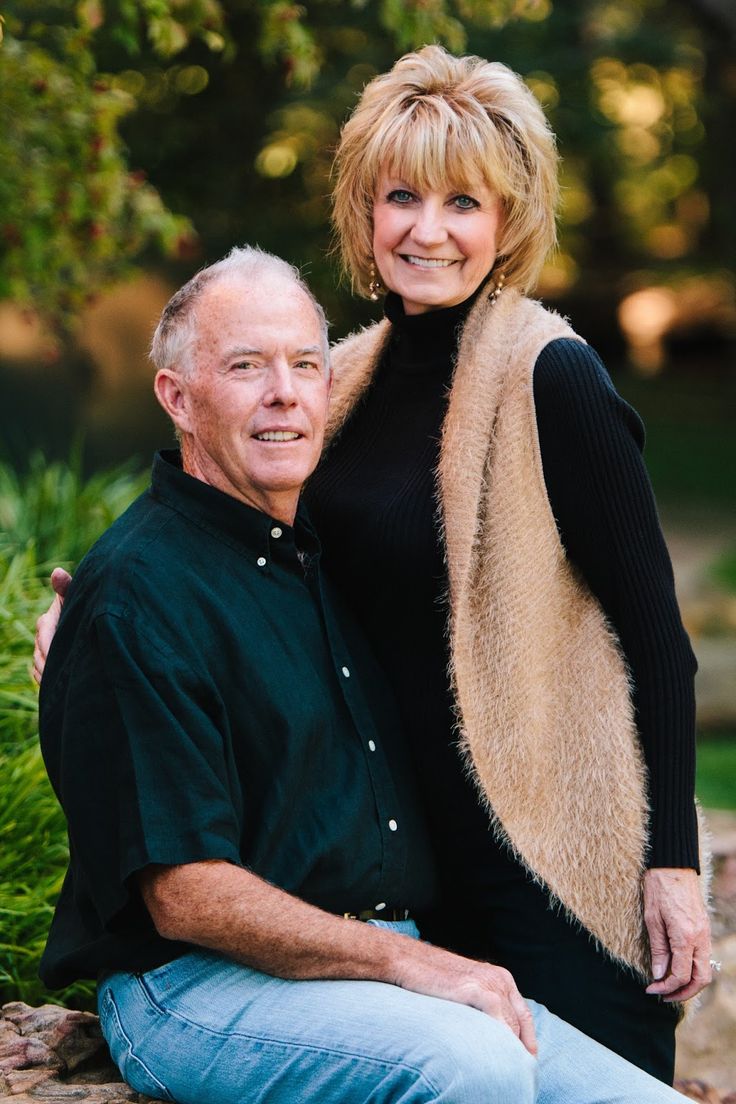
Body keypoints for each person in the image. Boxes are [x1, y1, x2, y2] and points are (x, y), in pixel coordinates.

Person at [34, 245, 690, 1104]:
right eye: (245, 367)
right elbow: (187, 898)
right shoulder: (137, 594)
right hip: (193, 986)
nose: (285, 392)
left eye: (305, 364)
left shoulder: (313, 556)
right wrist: (411, 961)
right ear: (177, 398)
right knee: (474, 1065)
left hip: (367, 970)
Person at [302, 44, 712, 1082]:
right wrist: (92, 612)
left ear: (509, 221)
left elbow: (659, 643)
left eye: (463, 203)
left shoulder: (552, 377)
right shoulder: (338, 382)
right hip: (402, 881)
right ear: (365, 209)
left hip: (548, 874)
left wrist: (672, 864)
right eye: (401, 196)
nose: (426, 231)